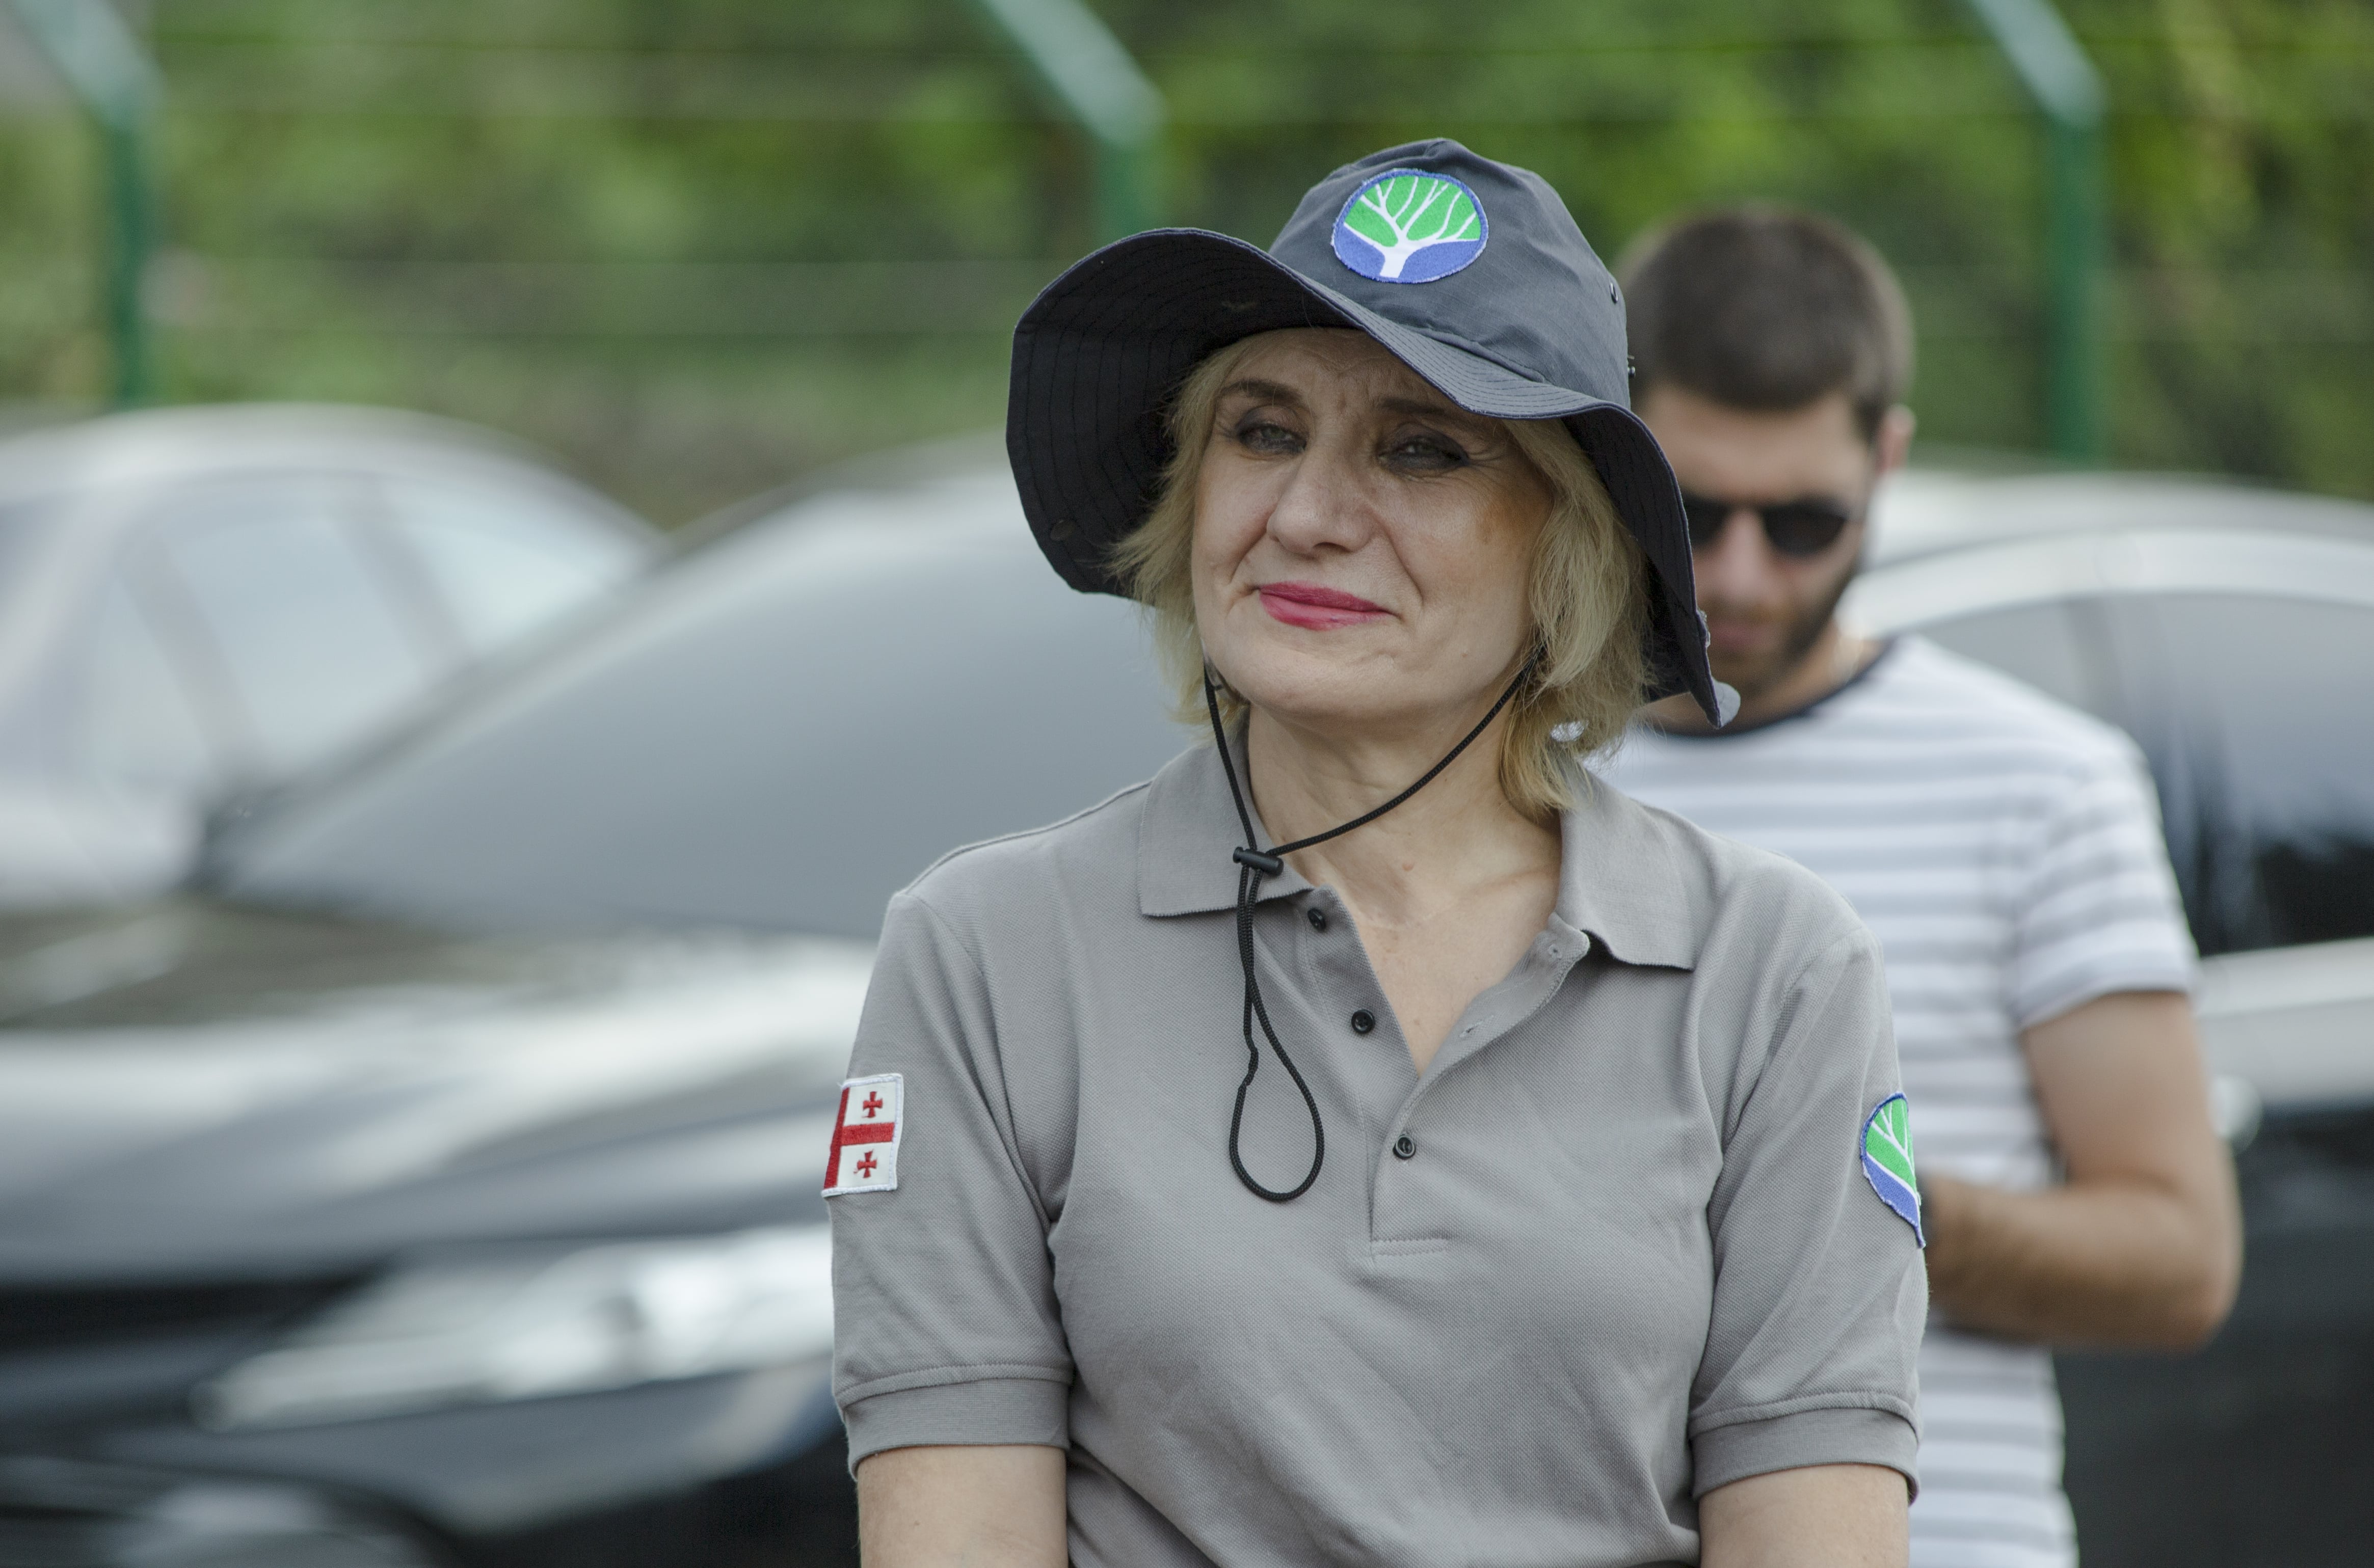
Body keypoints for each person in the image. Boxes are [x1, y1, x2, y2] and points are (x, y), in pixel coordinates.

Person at [828, 142, 1927, 1568]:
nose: (1305, 515)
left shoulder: (1771, 971)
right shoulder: (988, 952)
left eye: (1421, 449)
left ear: (1573, 544)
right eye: (1261, 432)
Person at [1596, 207, 2243, 1568]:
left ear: (1887, 458)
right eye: (1691, 511)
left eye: (1805, 522)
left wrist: (1842, 1203)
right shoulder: (1498, 768)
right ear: (1610, 451)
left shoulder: (2041, 780)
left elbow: (2180, 1259)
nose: (1740, 574)